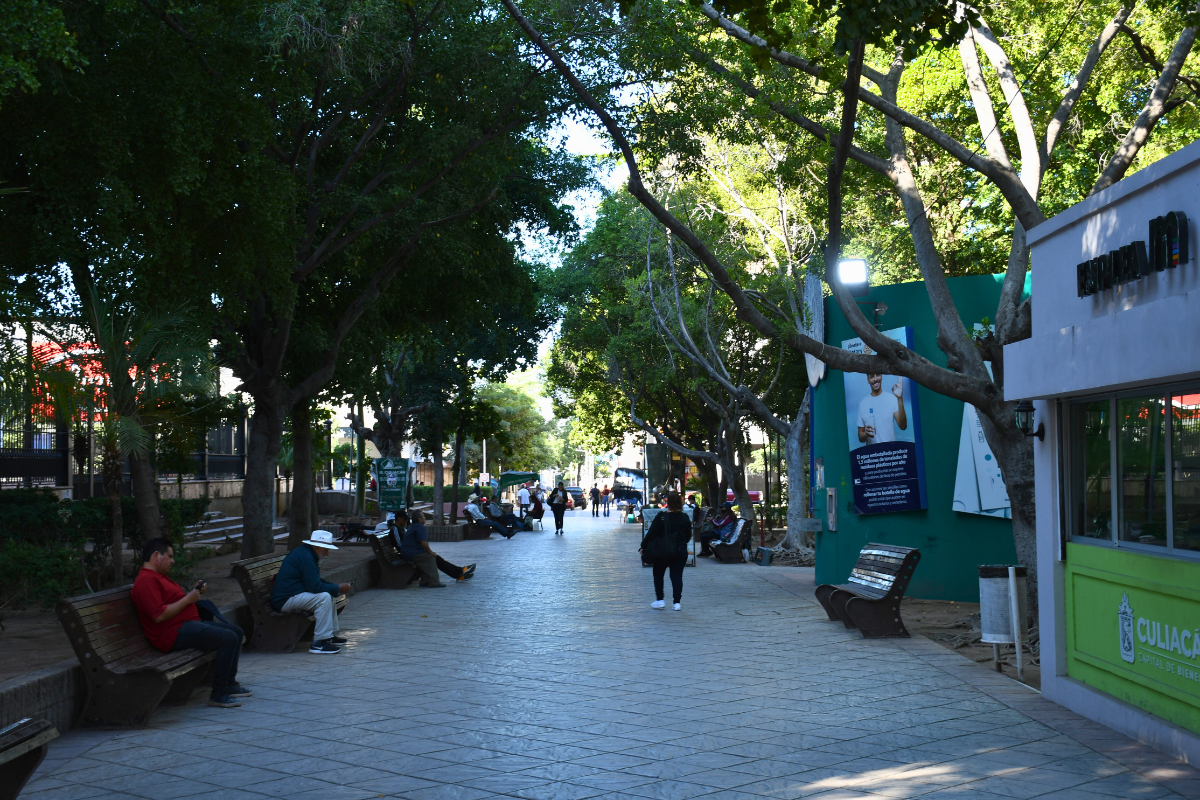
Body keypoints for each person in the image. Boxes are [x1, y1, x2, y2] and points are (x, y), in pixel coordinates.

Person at [131, 538, 250, 708]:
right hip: (171, 634)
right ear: (156, 556)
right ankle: (219, 693)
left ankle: (229, 684)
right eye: (170, 556)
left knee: (236, 632)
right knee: (228, 638)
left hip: (185, 625)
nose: (172, 561)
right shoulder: (146, 581)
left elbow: (172, 602)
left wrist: (193, 593)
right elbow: (159, 615)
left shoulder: (158, 577)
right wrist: (188, 598)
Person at [270, 529, 353, 654]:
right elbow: (314, 587)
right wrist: (337, 588)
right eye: (326, 549)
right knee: (323, 597)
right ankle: (319, 643)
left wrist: (335, 587)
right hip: (284, 600)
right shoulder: (306, 557)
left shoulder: (306, 554)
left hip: (291, 595)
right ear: (316, 547)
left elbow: (315, 581)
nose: (327, 554)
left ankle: (328, 635)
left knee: (327, 595)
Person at [639, 492, 692, 611]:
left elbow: (651, 533)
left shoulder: (661, 516)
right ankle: (677, 603)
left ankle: (660, 600)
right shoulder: (684, 517)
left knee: (658, 574)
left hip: (662, 551)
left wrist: (643, 546)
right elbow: (688, 535)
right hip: (680, 550)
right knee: (677, 576)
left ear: (668, 503)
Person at [398, 510, 475, 586]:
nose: (424, 518)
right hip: (410, 554)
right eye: (423, 517)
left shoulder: (414, 526)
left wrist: (430, 552)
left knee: (437, 558)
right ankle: (434, 582)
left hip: (410, 553)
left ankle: (460, 572)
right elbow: (423, 542)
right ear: (419, 519)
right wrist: (430, 552)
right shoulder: (419, 526)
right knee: (431, 557)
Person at [857, 372, 907, 445]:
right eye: (872, 377)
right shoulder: (863, 404)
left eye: (877, 375)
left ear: (881, 376)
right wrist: (865, 434)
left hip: (890, 453)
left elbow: (903, 426)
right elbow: (860, 437)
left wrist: (899, 398)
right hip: (872, 454)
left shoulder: (891, 399)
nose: (875, 379)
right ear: (868, 380)